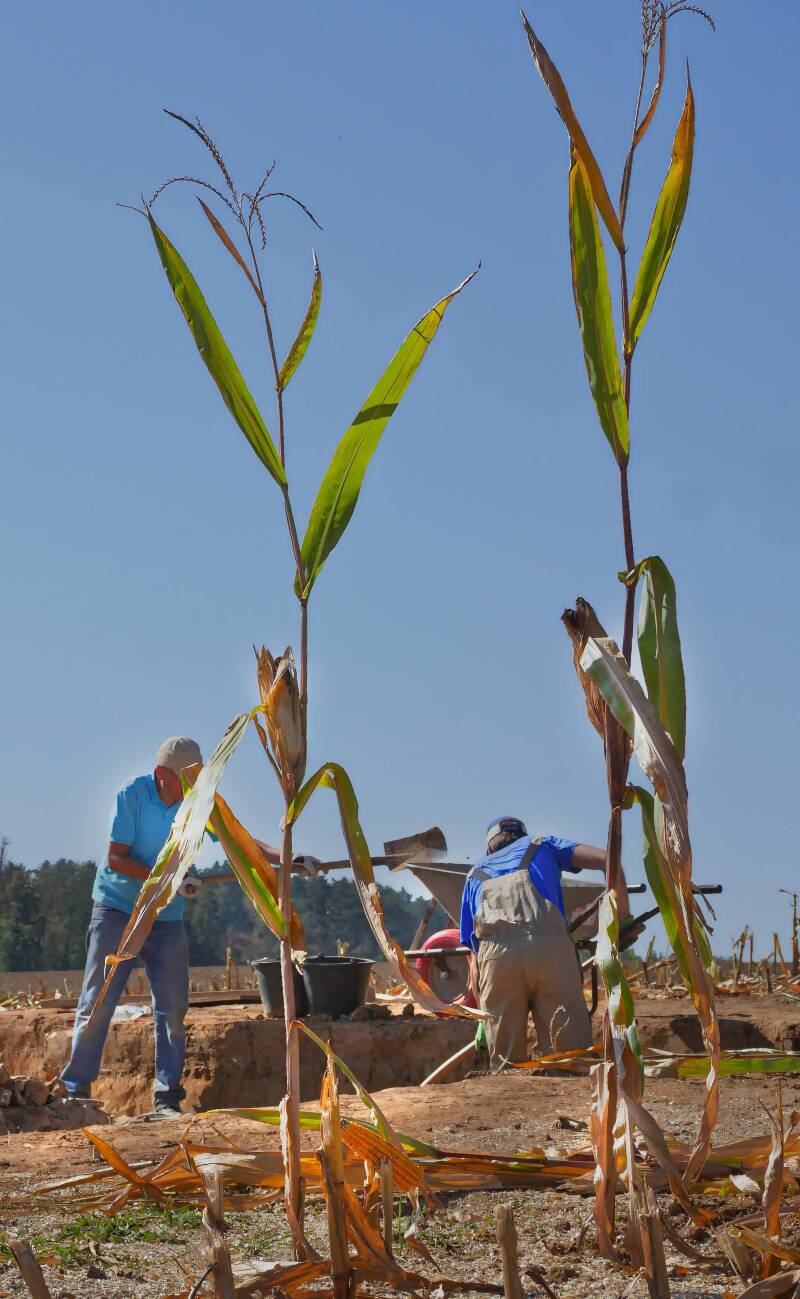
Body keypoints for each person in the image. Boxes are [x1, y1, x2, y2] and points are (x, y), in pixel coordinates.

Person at [61, 737, 319, 1116]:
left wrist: (290, 858)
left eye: (196, 780)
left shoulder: (200, 802)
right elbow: (117, 858)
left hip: (166, 916)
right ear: (160, 774)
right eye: (184, 780)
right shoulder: (133, 795)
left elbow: (242, 843)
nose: (190, 789)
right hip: (118, 909)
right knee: (98, 1000)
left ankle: (167, 1098)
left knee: (172, 1007)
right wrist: (169, 877)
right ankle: (75, 1091)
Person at [460, 815, 606, 1068]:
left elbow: (475, 960)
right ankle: (572, 1081)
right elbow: (606, 858)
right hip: (550, 952)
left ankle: (509, 1086)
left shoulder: (474, 875)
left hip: (497, 960)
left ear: (489, 849)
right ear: (522, 837)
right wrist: (620, 913)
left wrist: (484, 1017)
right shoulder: (542, 844)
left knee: (507, 1066)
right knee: (571, 1059)